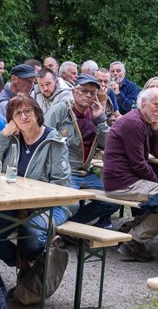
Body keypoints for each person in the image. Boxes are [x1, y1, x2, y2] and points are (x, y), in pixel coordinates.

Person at [0, 94, 71, 267]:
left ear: (37, 113)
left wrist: (29, 197)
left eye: (28, 111)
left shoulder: (54, 141)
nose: (23, 116)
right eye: (17, 114)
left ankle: (32, 262)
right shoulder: (12, 137)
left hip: (51, 204)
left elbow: (60, 185)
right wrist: (3, 134)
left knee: (31, 238)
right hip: (14, 201)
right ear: (12, 120)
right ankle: (23, 265)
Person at [103, 87, 158, 262]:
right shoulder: (134, 122)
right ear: (143, 103)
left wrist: (156, 128)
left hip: (127, 180)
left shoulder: (145, 122)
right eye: (157, 105)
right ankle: (133, 242)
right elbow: (139, 164)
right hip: (121, 183)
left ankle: (128, 231)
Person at [48, 75, 120, 229]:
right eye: (84, 91)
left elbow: (108, 145)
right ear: (74, 92)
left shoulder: (95, 114)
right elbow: (44, 137)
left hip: (85, 173)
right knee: (68, 203)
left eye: (92, 93)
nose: (88, 95)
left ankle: (71, 227)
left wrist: (100, 120)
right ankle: (63, 230)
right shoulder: (61, 109)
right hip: (65, 172)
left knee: (116, 197)